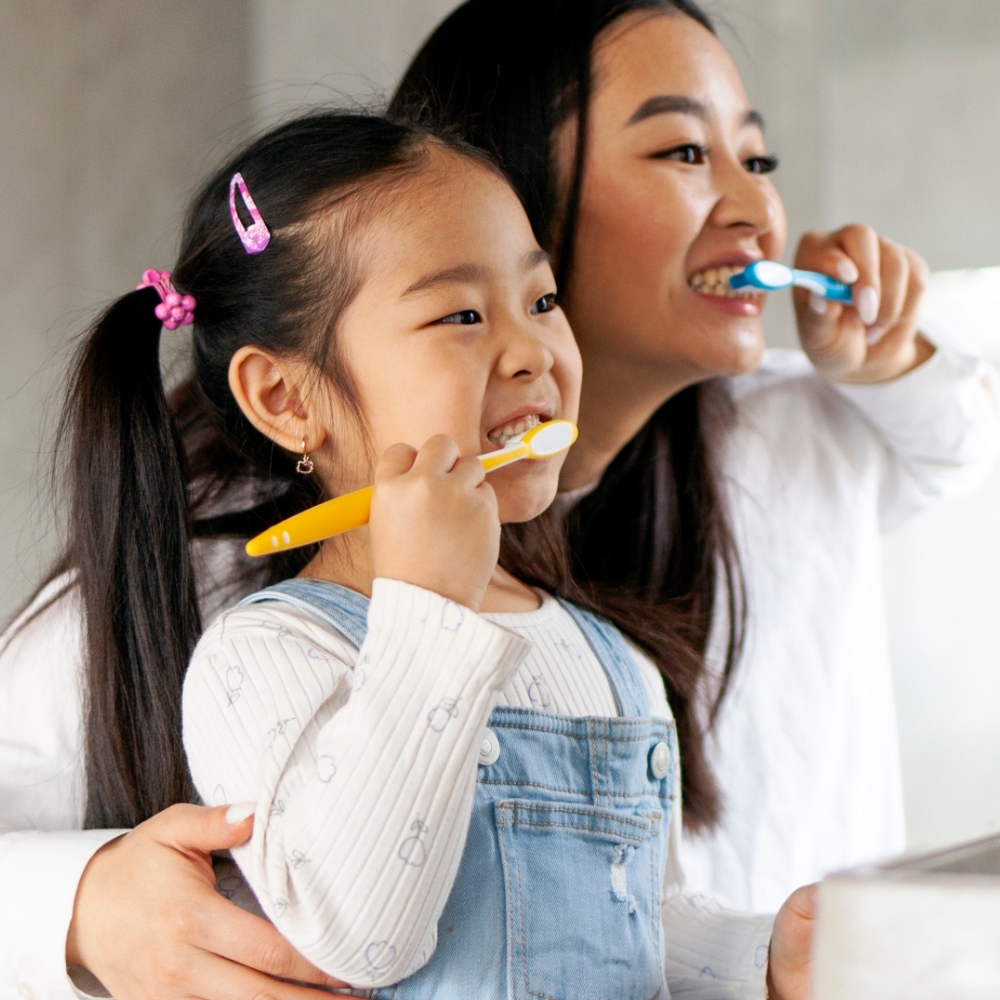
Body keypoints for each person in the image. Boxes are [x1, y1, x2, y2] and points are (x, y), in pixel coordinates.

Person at [48, 107, 814, 997]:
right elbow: (358, 935)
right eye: (460, 313)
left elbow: (632, 919)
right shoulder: (267, 657)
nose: (533, 352)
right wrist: (430, 613)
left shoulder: (612, 662)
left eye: (542, 299)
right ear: (286, 398)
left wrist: (759, 959)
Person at [388, 0, 1000, 911]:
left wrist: (887, 356)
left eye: (757, 161)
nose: (757, 210)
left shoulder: (782, 436)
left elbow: (955, 441)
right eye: (684, 152)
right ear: (501, 195)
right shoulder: (281, 535)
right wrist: (91, 897)